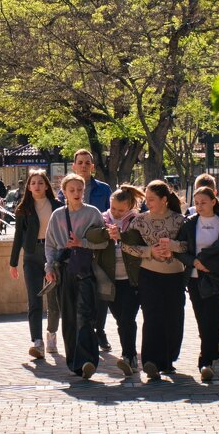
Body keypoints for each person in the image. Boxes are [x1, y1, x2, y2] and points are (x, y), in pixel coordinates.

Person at [120, 179, 187, 381]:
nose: (147, 203)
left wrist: (172, 246)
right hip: (148, 275)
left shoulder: (180, 220)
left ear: (164, 200)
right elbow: (126, 246)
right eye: (146, 199)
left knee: (174, 318)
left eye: (152, 199)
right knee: (152, 317)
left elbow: (188, 246)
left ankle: (169, 361)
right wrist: (149, 251)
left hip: (175, 276)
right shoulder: (139, 221)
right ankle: (150, 362)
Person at [175, 186, 219, 382]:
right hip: (195, 277)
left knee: (212, 318)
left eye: (203, 202)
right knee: (201, 318)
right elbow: (180, 249)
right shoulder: (190, 224)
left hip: (217, 278)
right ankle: (211, 354)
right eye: (196, 203)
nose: (199, 206)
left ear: (213, 202)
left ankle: (205, 362)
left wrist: (214, 265)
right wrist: (193, 261)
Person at [44, 174, 107, 379]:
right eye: (72, 190)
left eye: (80, 189)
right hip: (64, 270)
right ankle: (74, 363)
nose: (77, 193)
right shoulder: (57, 215)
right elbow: (51, 244)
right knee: (69, 317)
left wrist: (82, 243)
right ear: (64, 192)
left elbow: (104, 242)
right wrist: (49, 268)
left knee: (86, 316)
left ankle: (88, 360)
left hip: (85, 270)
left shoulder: (93, 213)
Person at [59, 149, 113, 350]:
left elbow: (109, 214)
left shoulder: (104, 189)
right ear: (74, 166)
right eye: (80, 162)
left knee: (101, 291)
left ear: (92, 166)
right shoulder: (63, 190)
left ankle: (99, 329)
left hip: (97, 246)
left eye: (87, 162)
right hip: (74, 250)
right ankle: (86, 333)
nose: (83, 165)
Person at [92, 184, 145, 376]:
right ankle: (129, 356)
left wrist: (121, 235)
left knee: (127, 318)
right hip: (109, 280)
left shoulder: (137, 220)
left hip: (131, 280)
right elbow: (91, 235)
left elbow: (137, 239)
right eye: (113, 208)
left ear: (130, 207)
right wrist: (106, 233)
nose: (116, 213)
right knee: (119, 318)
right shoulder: (101, 218)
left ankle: (129, 357)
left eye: (121, 210)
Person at [9, 169, 60, 359]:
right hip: (31, 255)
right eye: (33, 183)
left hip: (52, 255)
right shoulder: (23, 209)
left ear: (46, 185)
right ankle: (37, 342)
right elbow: (18, 237)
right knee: (34, 300)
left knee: (54, 300)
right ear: (28, 187)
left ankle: (52, 334)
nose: (37, 186)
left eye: (40, 182)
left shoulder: (57, 206)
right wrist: (13, 262)